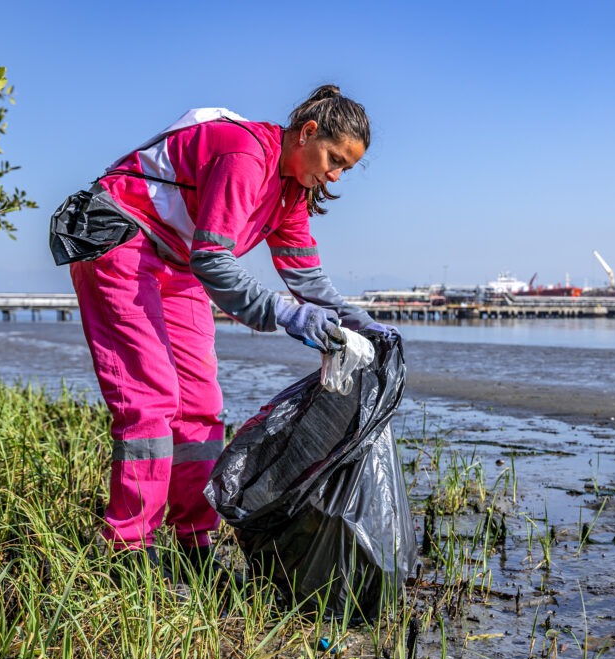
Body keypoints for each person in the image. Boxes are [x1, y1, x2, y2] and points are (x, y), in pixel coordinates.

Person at [68, 84, 395, 575]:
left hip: (175, 261)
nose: (335, 174)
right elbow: (215, 261)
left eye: (344, 168)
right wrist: (287, 315)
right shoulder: (245, 155)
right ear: (307, 133)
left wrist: (364, 326)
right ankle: (128, 551)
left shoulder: (291, 193)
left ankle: (192, 543)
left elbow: (306, 277)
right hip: (122, 237)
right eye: (333, 158)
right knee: (151, 398)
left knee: (200, 405)